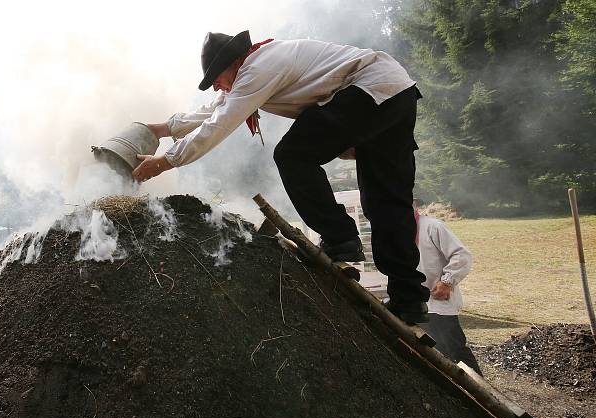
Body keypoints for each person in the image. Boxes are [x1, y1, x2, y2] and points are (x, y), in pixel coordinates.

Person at [134, 31, 430, 323]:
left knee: (292, 155)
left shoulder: (258, 68)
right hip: (396, 93)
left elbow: (220, 123)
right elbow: (214, 110)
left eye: (216, 78)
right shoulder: (253, 68)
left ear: (234, 62)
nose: (216, 87)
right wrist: (163, 129)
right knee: (386, 199)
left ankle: (340, 239)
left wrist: (166, 162)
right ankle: (409, 298)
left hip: (367, 87)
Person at [415, 205, 482, 374]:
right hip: (415, 306)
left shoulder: (432, 226)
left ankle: (481, 393)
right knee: (428, 353)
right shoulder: (396, 232)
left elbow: (461, 255)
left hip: (438, 304)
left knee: (455, 351)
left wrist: (447, 282)